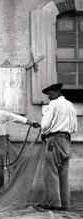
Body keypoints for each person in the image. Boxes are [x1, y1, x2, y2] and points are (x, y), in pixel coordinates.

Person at [39, 83, 77, 211]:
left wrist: (44, 133)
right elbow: (74, 127)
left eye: (50, 94)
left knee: (51, 171)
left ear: (56, 92)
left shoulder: (54, 104)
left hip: (54, 139)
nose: (49, 97)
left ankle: (54, 203)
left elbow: (45, 125)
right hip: (67, 139)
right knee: (63, 172)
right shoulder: (70, 105)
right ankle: (64, 203)